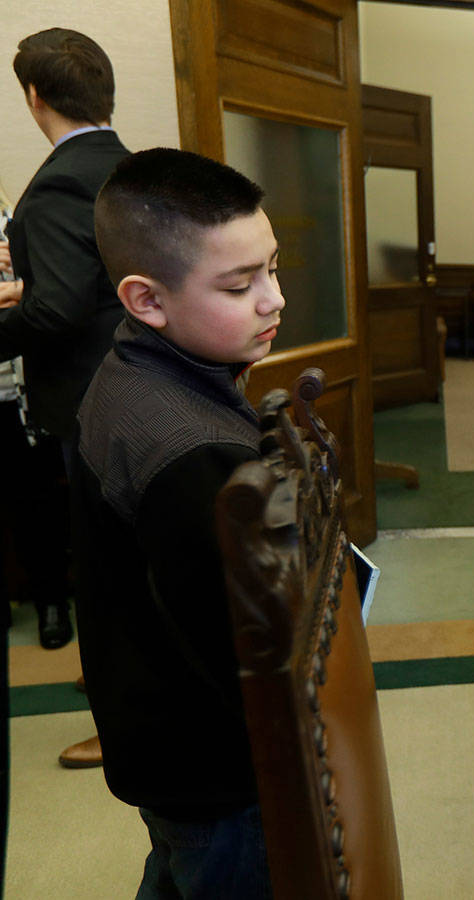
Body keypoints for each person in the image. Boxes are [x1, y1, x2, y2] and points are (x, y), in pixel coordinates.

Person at [71, 147, 285, 898]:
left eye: (272, 267)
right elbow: (249, 657)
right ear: (146, 299)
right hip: (214, 769)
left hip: (154, 738)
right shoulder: (191, 454)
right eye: (239, 285)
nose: (273, 300)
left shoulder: (131, 368)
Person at [1, 28, 129, 656]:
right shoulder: (132, 166)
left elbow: (59, 311)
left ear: (34, 97)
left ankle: (121, 717)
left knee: (110, 572)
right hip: (142, 388)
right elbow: (104, 286)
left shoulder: (56, 184)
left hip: (89, 401)